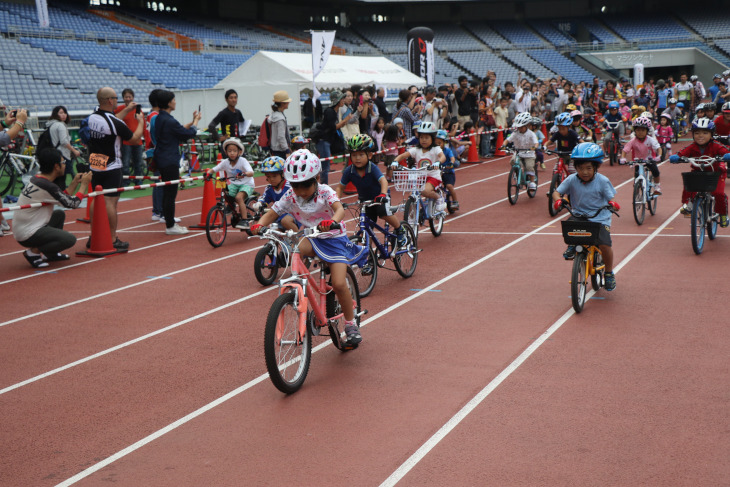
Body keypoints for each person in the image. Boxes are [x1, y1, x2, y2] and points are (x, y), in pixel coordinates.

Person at [250, 149, 368, 345]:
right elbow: (274, 211)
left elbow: (339, 210)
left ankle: (350, 322)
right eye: (296, 185)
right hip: (312, 237)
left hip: (334, 238)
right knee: (296, 248)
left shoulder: (325, 192)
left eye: (306, 185)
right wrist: (259, 224)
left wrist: (332, 222)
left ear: (317, 178)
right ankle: (297, 283)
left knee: (339, 284)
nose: (301, 190)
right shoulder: (291, 195)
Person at [552, 142, 620, 291]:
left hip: (600, 218)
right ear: (575, 168)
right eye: (581, 168)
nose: (585, 172)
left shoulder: (602, 181)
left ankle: (608, 273)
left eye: (589, 168)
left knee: (605, 244)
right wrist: (558, 200)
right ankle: (572, 246)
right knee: (570, 226)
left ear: (596, 167)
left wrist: (613, 204)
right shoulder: (571, 179)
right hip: (579, 215)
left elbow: (612, 198)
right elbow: (557, 192)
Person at [12, 148, 92, 268]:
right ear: (56, 166)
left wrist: (75, 182)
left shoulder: (38, 179)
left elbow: (63, 197)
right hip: (27, 234)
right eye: (63, 162)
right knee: (69, 239)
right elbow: (73, 203)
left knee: (59, 214)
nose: (65, 165)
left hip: (24, 227)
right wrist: (84, 185)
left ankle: (51, 253)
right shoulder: (47, 186)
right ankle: (33, 253)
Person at [87, 87, 144, 250]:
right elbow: (134, 139)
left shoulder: (93, 117)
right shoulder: (115, 122)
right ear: (110, 100)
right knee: (110, 201)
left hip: (96, 162)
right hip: (112, 165)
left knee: (96, 199)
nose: (118, 100)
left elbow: (111, 122)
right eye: (116, 98)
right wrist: (140, 122)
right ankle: (112, 239)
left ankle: (94, 235)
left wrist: (126, 109)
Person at [337, 134, 407, 246]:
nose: (357, 158)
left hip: (380, 197)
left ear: (369, 155)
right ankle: (369, 257)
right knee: (365, 227)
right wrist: (336, 200)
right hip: (365, 200)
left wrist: (383, 195)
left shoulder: (372, 168)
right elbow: (340, 187)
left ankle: (400, 229)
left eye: (361, 155)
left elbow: (383, 181)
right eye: (354, 155)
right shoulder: (349, 171)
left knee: (383, 213)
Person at [153, 89, 201, 235]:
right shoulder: (168, 120)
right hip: (169, 159)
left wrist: (192, 122)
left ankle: (170, 223)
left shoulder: (161, 118)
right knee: (170, 193)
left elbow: (178, 130)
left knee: (168, 192)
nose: (175, 102)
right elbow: (188, 134)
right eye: (173, 100)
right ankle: (170, 225)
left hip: (162, 157)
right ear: (168, 103)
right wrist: (196, 122)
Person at [670, 118, 730, 227]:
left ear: (712, 135)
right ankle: (689, 204)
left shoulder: (716, 145)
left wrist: (727, 155)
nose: (700, 135)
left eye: (705, 133)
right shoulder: (692, 146)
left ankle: (723, 214)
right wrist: (676, 157)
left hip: (716, 173)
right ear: (693, 135)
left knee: (718, 194)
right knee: (690, 185)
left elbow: (726, 150)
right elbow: (681, 152)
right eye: (697, 133)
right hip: (699, 171)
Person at [392, 121, 447, 210]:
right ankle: (410, 220)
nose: (423, 140)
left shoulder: (435, 149)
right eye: (421, 137)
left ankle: (438, 197)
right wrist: (395, 161)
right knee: (411, 196)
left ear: (432, 138)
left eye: (426, 137)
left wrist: (438, 162)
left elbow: (442, 156)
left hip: (433, 177)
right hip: (420, 177)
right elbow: (403, 155)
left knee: (424, 190)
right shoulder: (416, 149)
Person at [204, 137, 254, 230]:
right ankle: (232, 206)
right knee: (226, 194)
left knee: (239, 198)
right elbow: (214, 169)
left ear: (239, 152)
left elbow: (251, 172)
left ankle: (245, 220)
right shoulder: (225, 162)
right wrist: (208, 173)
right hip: (234, 184)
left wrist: (244, 174)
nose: (232, 153)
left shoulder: (243, 161)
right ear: (226, 152)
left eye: (234, 151)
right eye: (229, 151)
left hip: (247, 184)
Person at [251, 156, 299, 231]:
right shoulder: (269, 189)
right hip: (278, 215)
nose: (271, 179)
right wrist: (260, 203)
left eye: (274, 176)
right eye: (268, 177)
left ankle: (299, 239)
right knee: (273, 233)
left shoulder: (289, 187)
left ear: (283, 174)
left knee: (285, 221)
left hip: (293, 214)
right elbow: (264, 199)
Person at [145, 89, 168, 223]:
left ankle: (157, 211)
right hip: (156, 151)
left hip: (151, 151)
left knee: (157, 182)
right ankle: (161, 212)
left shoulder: (150, 115)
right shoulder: (155, 116)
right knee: (161, 182)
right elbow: (155, 136)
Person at [621, 116, 662, 193]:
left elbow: (658, 148)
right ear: (635, 131)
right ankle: (637, 189)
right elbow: (625, 150)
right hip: (638, 161)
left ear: (647, 131)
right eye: (638, 130)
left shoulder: (650, 140)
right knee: (637, 176)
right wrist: (623, 158)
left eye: (643, 130)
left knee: (655, 171)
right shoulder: (633, 141)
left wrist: (659, 156)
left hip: (649, 160)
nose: (640, 132)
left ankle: (657, 186)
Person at [44, 106, 81, 190]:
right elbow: (64, 141)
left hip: (54, 152)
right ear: (56, 114)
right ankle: (62, 196)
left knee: (56, 177)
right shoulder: (60, 125)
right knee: (62, 178)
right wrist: (74, 150)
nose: (64, 115)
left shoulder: (51, 124)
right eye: (61, 113)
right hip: (62, 154)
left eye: (65, 113)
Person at [316, 89, 349, 184]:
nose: (343, 100)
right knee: (325, 166)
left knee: (325, 166)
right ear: (337, 100)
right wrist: (345, 120)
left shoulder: (334, 111)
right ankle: (323, 187)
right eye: (342, 99)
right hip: (323, 141)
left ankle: (322, 185)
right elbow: (332, 127)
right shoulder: (330, 111)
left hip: (326, 141)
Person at [113, 88, 145, 185]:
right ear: (123, 98)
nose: (128, 99)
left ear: (133, 97)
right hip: (125, 141)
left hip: (138, 141)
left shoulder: (138, 109)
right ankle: (125, 181)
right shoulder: (119, 109)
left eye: (129, 97)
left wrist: (143, 137)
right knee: (125, 163)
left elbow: (142, 124)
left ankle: (138, 181)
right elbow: (114, 119)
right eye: (126, 97)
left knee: (138, 163)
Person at [501, 112, 539, 189]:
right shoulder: (515, 133)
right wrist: (503, 145)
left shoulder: (531, 134)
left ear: (527, 126)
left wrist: (534, 147)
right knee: (513, 161)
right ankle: (518, 174)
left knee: (529, 166)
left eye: (522, 127)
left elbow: (536, 143)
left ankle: (532, 182)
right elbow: (507, 140)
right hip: (519, 153)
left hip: (529, 154)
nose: (520, 129)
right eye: (519, 127)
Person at [436, 129, 460, 209]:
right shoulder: (434, 151)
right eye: (436, 143)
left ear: (444, 142)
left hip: (448, 171)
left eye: (439, 143)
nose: (438, 145)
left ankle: (455, 201)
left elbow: (452, 158)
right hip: (438, 172)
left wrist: (451, 163)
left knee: (449, 186)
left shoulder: (448, 150)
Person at [269, 90, 292, 159]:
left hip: (274, 149)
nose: (289, 103)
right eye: (287, 101)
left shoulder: (274, 114)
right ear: (282, 103)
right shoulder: (280, 118)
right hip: (280, 151)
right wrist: (287, 150)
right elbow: (281, 136)